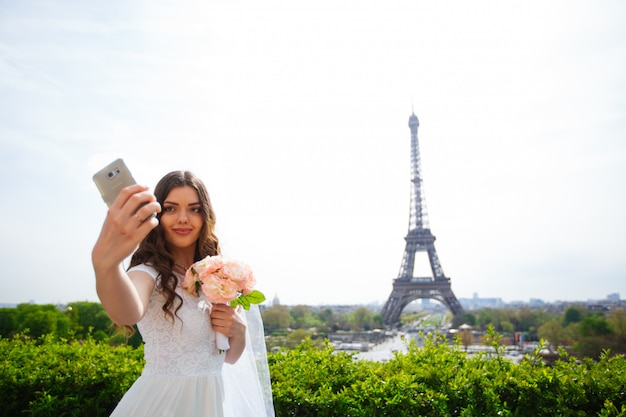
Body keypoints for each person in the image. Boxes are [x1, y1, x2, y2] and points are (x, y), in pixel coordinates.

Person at [92, 170, 274, 417]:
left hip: (214, 402)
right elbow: (127, 312)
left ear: (205, 215)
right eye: (170, 208)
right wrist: (107, 266)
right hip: (163, 405)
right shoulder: (147, 274)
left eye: (194, 209)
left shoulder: (219, 276)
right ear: (157, 214)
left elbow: (227, 358)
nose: (183, 218)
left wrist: (239, 331)